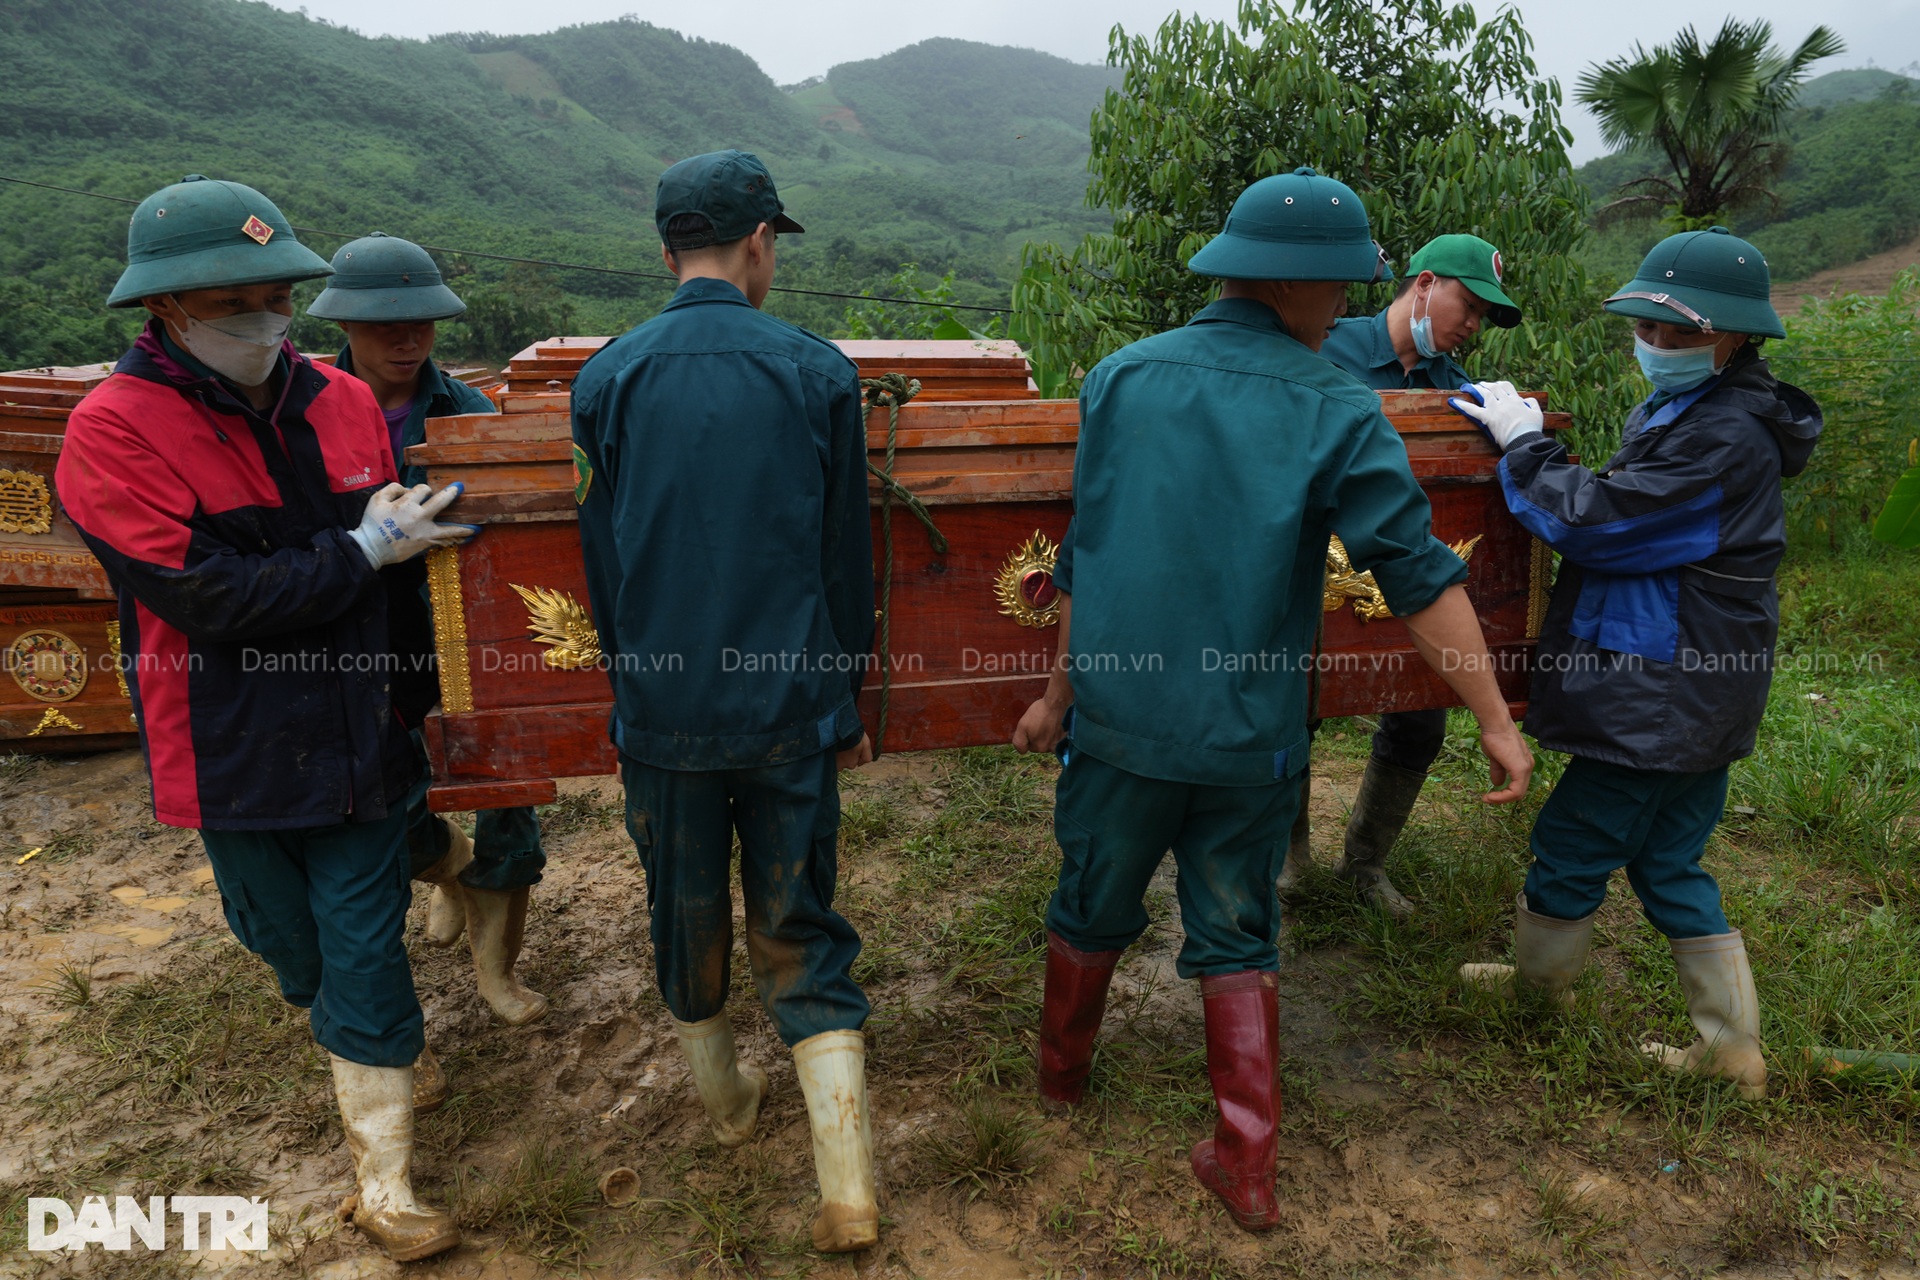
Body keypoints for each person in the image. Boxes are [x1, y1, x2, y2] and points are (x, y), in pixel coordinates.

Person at [1011, 168, 1535, 1232]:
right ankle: (1246, 1162)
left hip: (1119, 722)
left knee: (1092, 900)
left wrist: (1059, 692)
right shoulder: (1336, 401)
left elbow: (1089, 551)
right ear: (1297, 285)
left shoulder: (1120, 377)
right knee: (1237, 930)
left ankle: (1061, 1080)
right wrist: (1491, 716)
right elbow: (1417, 572)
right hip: (1248, 732)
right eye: (1341, 289)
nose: (1343, 308)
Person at [56, 176, 477, 1260]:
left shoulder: (341, 404)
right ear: (167, 311)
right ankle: (353, 1007)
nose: (264, 318)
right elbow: (209, 599)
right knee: (284, 939)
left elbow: (393, 581)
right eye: (232, 300)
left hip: (359, 726)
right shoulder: (111, 433)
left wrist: (427, 687)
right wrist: (354, 548)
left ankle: (385, 1183)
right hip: (228, 736)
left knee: (361, 945)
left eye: (277, 292)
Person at [571, 150, 881, 1253]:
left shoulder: (605, 380)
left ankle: (728, 1104)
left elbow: (606, 571)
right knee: (802, 919)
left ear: (667, 252)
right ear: (761, 244)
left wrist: (635, 692)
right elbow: (846, 563)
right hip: (793, 706)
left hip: (662, 716)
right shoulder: (816, 371)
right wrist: (846, 701)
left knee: (683, 907)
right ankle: (847, 1184)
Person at [1452, 226, 1820, 1101]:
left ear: (1731, 338)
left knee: (1572, 840)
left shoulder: (1724, 435)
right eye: (1647, 330)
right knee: (1669, 859)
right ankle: (1732, 1052)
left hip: (1665, 685)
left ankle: (1539, 999)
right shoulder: (1700, 412)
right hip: (1697, 680)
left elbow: (1598, 523)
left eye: (1678, 334)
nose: (1655, 346)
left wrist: (1524, 446)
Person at [309, 234, 551, 1031]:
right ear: (346, 323)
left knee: (506, 798)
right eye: (385, 324)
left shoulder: (466, 411)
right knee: (390, 803)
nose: (407, 337)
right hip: (360, 647)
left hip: (468, 639)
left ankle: (498, 967)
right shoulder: (303, 417)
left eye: (421, 320)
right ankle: (448, 871)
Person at [1287, 234, 1524, 917]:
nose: (1473, 325)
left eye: (1485, 316)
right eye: (1469, 305)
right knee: (1295, 707)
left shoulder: (1457, 390)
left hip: (1408, 580)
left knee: (1420, 713)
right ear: (1423, 285)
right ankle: (1289, 858)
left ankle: (1365, 865)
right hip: (1315, 575)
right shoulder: (1326, 348)